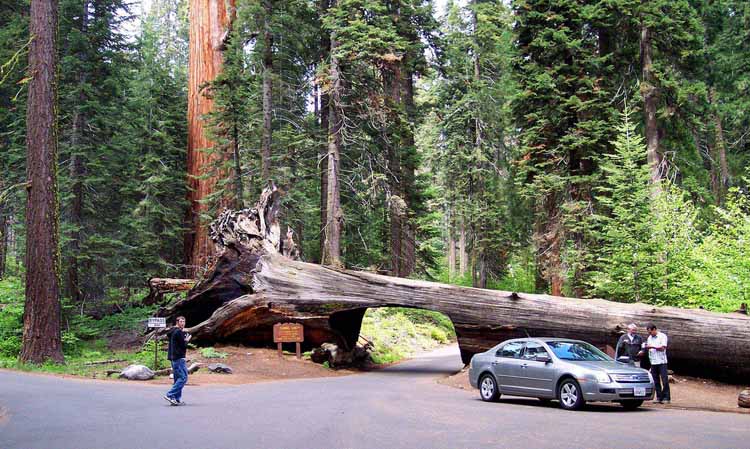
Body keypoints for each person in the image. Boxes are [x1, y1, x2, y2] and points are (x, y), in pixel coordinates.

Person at [164, 316, 191, 406]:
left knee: (177, 379)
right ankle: (170, 395)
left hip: (173, 357)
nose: (183, 323)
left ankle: (176, 399)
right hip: (178, 358)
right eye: (181, 321)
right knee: (183, 378)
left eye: (184, 321)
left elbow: (176, 343)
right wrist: (187, 340)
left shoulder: (172, 331)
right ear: (177, 322)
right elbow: (183, 346)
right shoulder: (179, 332)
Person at [645, 323, 670, 404]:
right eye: (648, 332)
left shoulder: (662, 336)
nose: (650, 334)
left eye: (650, 332)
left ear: (654, 329)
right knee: (656, 381)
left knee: (664, 379)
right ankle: (659, 397)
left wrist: (652, 347)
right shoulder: (649, 338)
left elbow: (663, 348)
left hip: (662, 361)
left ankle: (666, 397)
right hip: (653, 362)